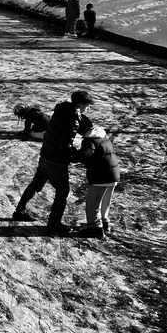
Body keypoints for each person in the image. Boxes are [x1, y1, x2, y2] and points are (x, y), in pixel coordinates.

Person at [13, 90, 95, 235]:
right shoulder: (72, 119)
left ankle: (19, 211)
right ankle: (54, 224)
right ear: (80, 104)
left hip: (45, 155)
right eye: (88, 106)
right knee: (63, 191)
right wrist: (79, 156)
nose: (88, 109)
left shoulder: (60, 111)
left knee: (35, 184)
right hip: (56, 162)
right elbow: (65, 146)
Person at [75, 125, 120, 239]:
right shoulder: (102, 136)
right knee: (105, 201)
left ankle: (94, 228)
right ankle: (105, 223)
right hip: (113, 174)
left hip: (101, 176)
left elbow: (84, 155)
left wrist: (72, 152)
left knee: (93, 202)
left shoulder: (89, 141)